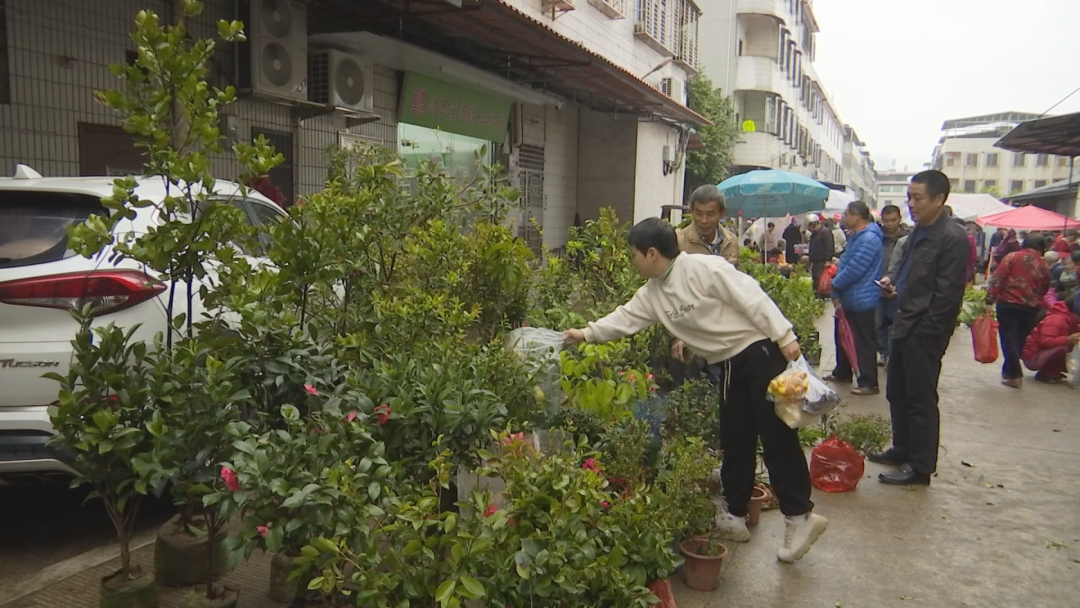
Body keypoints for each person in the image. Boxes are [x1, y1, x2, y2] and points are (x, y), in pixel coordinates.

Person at [562, 218, 827, 563]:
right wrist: (585, 333)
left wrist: (785, 336)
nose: (632, 260)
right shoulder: (654, 292)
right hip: (730, 361)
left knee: (776, 437)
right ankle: (734, 516)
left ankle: (801, 518)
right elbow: (624, 318)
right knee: (735, 438)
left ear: (652, 253)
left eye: (633, 254)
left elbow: (750, 297)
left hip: (759, 350)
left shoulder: (703, 267)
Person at [872, 171, 969, 486]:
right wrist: (892, 284)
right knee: (896, 392)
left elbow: (947, 297)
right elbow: (913, 277)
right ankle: (902, 449)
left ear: (939, 200)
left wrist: (927, 334)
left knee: (920, 398)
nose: (911, 204)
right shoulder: (917, 234)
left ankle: (921, 466)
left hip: (923, 333)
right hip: (902, 322)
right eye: (909, 197)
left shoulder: (952, 239)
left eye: (918, 198)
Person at [823, 201, 883, 395]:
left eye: (847, 214)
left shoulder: (869, 239)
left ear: (857, 217)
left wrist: (835, 284)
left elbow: (855, 269)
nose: (845, 218)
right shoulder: (857, 237)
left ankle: (868, 382)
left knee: (863, 341)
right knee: (843, 335)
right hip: (851, 297)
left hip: (862, 298)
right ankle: (843, 372)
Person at [986, 233, 1051, 388]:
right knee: (1019, 339)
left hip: (1009, 304)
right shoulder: (1043, 264)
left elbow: (998, 278)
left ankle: (1014, 375)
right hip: (1030, 307)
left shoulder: (1012, 257)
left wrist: (990, 299)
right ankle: (1008, 372)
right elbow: (1045, 286)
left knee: (1008, 339)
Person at [876, 205, 909, 366]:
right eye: (886, 220)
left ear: (899, 219)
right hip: (878, 285)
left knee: (896, 322)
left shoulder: (908, 239)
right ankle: (884, 352)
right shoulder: (877, 237)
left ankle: (893, 355)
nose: (890, 224)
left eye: (893, 220)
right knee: (878, 323)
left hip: (899, 287)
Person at [1022, 294, 1080, 384]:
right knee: (1061, 349)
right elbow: (1045, 341)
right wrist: (1067, 339)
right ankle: (1046, 373)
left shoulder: (1071, 322)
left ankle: (1054, 371)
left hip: (1042, 354)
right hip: (1033, 357)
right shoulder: (1057, 320)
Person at [677, 185, 739, 266]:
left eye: (710, 214)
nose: (704, 221)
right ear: (691, 211)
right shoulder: (679, 242)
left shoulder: (731, 241)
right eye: (699, 214)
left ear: (722, 213)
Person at [808, 214, 834, 298]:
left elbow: (829, 246)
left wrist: (828, 259)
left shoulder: (825, 232)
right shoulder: (814, 235)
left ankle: (822, 298)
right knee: (816, 282)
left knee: (821, 283)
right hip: (815, 262)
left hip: (822, 262)